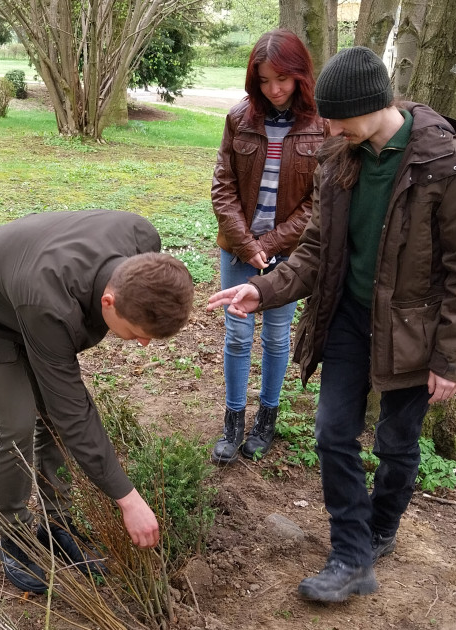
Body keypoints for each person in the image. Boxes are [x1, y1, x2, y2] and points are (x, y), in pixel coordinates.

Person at [206, 46, 456, 602]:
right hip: (346, 317)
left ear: (371, 106)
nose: (329, 126)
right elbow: (316, 252)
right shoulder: (341, 158)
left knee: (396, 443)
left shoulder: (455, 167)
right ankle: (351, 555)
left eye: (338, 116)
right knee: (333, 432)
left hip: (414, 331)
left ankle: (380, 526)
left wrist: (450, 358)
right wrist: (261, 289)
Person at [0, 209, 195, 594]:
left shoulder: (142, 240)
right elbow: (72, 410)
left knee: (55, 419)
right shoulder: (50, 305)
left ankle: (56, 523)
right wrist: (128, 500)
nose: (143, 344)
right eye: (138, 334)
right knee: (17, 423)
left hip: (30, 283)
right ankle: (15, 534)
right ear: (108, 301)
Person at [209, 30, 325, 465]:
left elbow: (318, 203)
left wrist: (272, 244)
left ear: (300, 75)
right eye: (264, 80)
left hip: (291, 255)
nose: (274, 89)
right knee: (238, 337)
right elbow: (223, 187)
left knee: (276, 338)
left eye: (283, 79)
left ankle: (267, 421)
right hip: (239, 249)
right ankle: (233, 422)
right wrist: (246, 243)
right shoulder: (240, 118)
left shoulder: (320, 125)